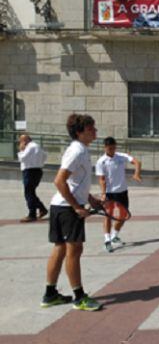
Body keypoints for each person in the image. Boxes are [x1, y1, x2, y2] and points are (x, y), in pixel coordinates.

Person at [43, 114, 102, 311]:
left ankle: (50, 294)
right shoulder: (76, 151)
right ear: (79, 132)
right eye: (90, 129)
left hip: (61, 206)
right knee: (74, 251)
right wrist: (77, 206)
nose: (95, 132)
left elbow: (75, 182)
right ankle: (79, 297)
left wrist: (91, 199)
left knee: (60, 249)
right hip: (67, 209)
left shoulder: (81, 150)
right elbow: (59, 181)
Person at [95, 137, 142, 253]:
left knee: (123, 216)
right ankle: (107, 240)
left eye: (114, 147)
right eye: (109, 148)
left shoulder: (121, 156)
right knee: (108, 216)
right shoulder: (101, 162)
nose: (112, 150)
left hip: (122, 192)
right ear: (105, 148)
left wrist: (136, 173)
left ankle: (114, 236)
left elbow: (137, 162)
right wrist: (103, 194)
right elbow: (101, 179)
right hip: (110, 193)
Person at [17, 134, 48, 223]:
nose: (20, 143)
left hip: (29, 171)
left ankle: (32, 214)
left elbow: (22, 158)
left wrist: (21, 150)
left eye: (21, 141)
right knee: (31, 192)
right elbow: (45, 156)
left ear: (25, 140)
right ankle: (42, 209)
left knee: (29, 193)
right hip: (37, 170)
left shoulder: (30, 147)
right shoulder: (37, 146)